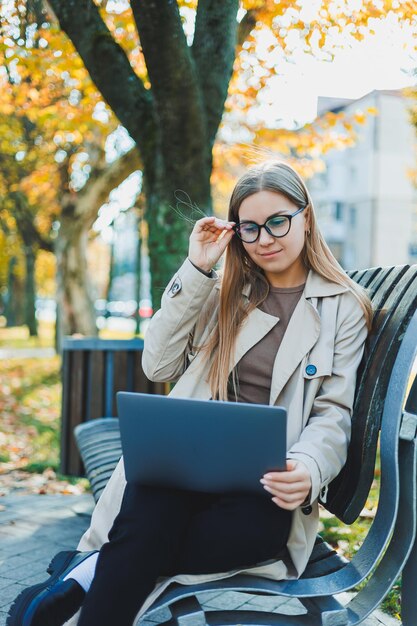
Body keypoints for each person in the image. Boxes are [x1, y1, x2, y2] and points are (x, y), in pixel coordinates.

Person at [8, 160, 371, 626]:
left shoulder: (344, 308)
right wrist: (197, 267)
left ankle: (82, 577)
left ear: (306, 215)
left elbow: (334, 413)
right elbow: (157, 364)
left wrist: (307, 466)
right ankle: (90, 585)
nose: (265, 239)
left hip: (265, 492)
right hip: (184, 473)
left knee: (149, 533)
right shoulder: (223, 293)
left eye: (278, 221)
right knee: (153, 507)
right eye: (250, 228)